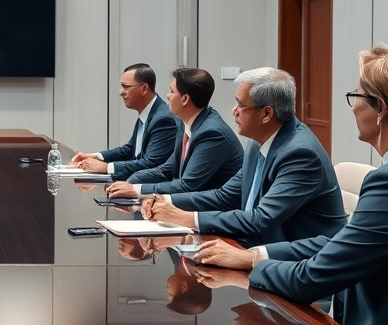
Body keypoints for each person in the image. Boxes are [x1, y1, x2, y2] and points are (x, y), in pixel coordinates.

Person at [195, 45, 388, 325]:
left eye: (356, 95)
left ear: (380, 108)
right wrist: (254, 255)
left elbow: (310, 279)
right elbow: (345, 241)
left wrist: (244, 275)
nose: (353, 105)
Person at [142, 67, 346, 246]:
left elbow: (260, 219)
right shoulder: (257, 141)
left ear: (266, 114)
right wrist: (164, 201)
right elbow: (224, 196)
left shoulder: (301, 155)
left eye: (241, 105)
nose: (233, 111)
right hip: (255, 246)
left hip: (299, 265)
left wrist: (186, 218)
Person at [107, 68, 243, 197]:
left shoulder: (212, 134)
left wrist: (137, 189)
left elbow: (187, 186)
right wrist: (132, 181)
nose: (167, 96)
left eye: (171, 91)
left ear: (184, 99)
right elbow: (167, 169)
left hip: (212, 212)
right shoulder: (184, 122)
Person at [71, 63, 178, 179]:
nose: (121, 92)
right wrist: (96, 156)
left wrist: (107, 167)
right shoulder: (149, 113)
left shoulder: (163, 119)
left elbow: (151, 163)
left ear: (143, 89)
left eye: (126, 87)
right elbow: (130, 149)